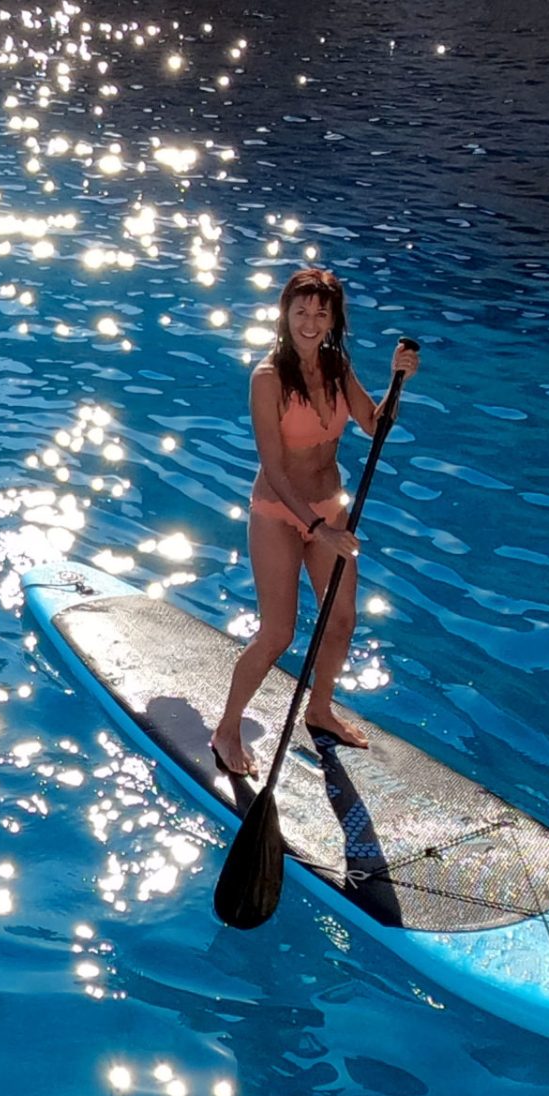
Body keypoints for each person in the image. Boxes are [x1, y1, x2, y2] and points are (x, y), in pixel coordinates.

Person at [209, 267, 419, 776]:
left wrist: (398, 382)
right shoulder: (267, 379)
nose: (309, 321)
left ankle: (319, 710)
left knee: (342, 621)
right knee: (277, 632)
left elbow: (375, 425)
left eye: (320, 313)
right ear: (285, 314)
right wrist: (316, 528)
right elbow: (275, 469)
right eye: (300, 310)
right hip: (280, 514)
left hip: (330, 505)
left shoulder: (336, 365)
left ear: (333, 320)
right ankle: (227, 728)